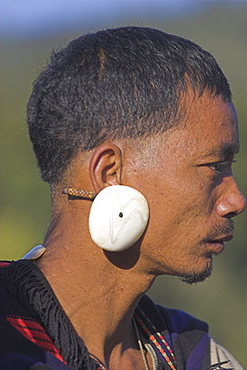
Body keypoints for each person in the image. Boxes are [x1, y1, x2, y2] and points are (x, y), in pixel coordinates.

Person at [0, 27, 245, 370]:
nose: (235, 201)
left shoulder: (195, 352)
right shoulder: (12, 343)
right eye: (214, 166)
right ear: (109, 171)